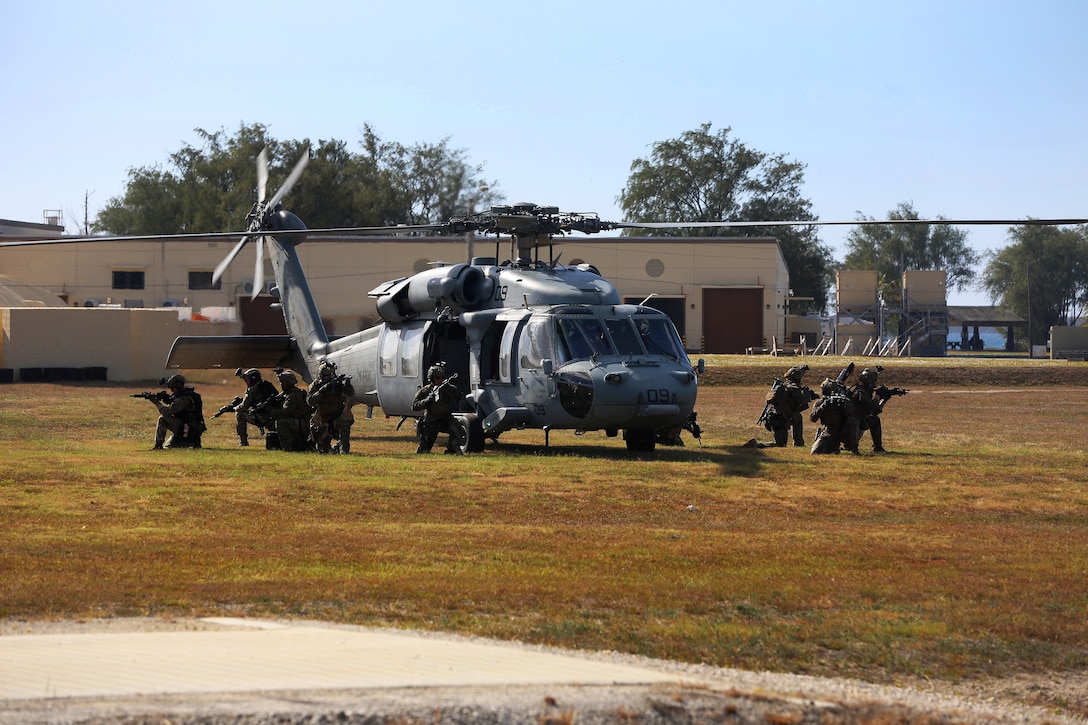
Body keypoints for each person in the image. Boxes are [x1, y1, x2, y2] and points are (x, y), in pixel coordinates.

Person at [748, 365, 818, 448]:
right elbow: (802, 400)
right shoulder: (793, 388)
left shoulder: (784, 387)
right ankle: (756, 445)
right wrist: (808, 394)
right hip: (781, 420)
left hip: (777, 417)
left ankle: (798, 443)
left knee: (797, 417)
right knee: (780, 444)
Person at [411, 364, 467, 454]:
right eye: (437, 378)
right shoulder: (425, 391)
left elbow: (459, 395)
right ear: (432, 378)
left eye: (442, 377)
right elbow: (414, 406)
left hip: (445, 419)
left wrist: (461, 403)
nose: (440, 380)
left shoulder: (445, 388)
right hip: (431, 421)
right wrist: (426, 401)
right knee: (424, 449)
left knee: (456, 428)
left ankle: (451, 450)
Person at [307, 361, 355, 454]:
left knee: (345, 422)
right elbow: (310, 401)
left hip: (336, 418)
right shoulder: (316, 385)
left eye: (329, 376)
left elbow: (350, 393)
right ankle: (330, 448)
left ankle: (343, 450)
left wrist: (347, 385)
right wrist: (322, 391)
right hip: (322, 420)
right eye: (325, 376)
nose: (327, 378)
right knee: (323, 450)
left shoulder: (337, 384)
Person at [150, 374, 206, 450]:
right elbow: (175, 403)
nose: (172, 391)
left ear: (177, 387)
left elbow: (167, 412)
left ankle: (158, 445)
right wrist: (167, 399)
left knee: (163, 419)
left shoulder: (183, 399)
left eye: (172, 388)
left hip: (188, 429)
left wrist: (156, 403)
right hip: (192, 428)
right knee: (169, 446)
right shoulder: (189, 395)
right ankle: (189, 442)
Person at [809, 378, 859, 454]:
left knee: (853, 421)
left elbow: (853, 414)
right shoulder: (820, 403)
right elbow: (813, 418)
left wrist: (844, 404)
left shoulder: (842, 401)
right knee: (815, 452)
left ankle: (853, 447)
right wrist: (823, 407)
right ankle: (833, 447)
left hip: (843, 431)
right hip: (828, 432)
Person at [234, 368, 279, 447]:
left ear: (253, 378)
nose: (246, 382)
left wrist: (234, 408)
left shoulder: (253, 389)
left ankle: (243, 442)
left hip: (262, 417)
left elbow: (244, 407)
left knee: (239, 414)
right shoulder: (265, 385)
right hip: (274, 416)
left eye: (247, 379)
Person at [269, 370, 311, 452]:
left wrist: (271, 411)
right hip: (298, 422)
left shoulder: (293, 395)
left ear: (289, 383)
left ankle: (287, 448)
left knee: (281, 422)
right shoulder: (287, 394)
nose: (281, 384)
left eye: (283, 382)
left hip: (301, 423)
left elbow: (286, 411)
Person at [850, 366, 889, 453]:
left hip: (860, 418)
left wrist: (884, 400)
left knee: (875, 420)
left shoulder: (866, 390)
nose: (876, 384)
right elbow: (871, 406)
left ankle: (878, 447)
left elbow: (873, 411)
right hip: (854, 421)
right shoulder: (861, 391)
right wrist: (878, 396)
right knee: (873, 420)